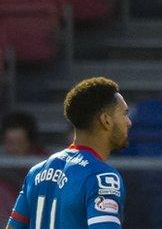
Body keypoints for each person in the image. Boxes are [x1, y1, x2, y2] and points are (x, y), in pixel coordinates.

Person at [6, 77, 132, 229]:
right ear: (106, 120)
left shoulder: (36, 172)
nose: (129, 122)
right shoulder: (102, 177)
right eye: (124, 114)